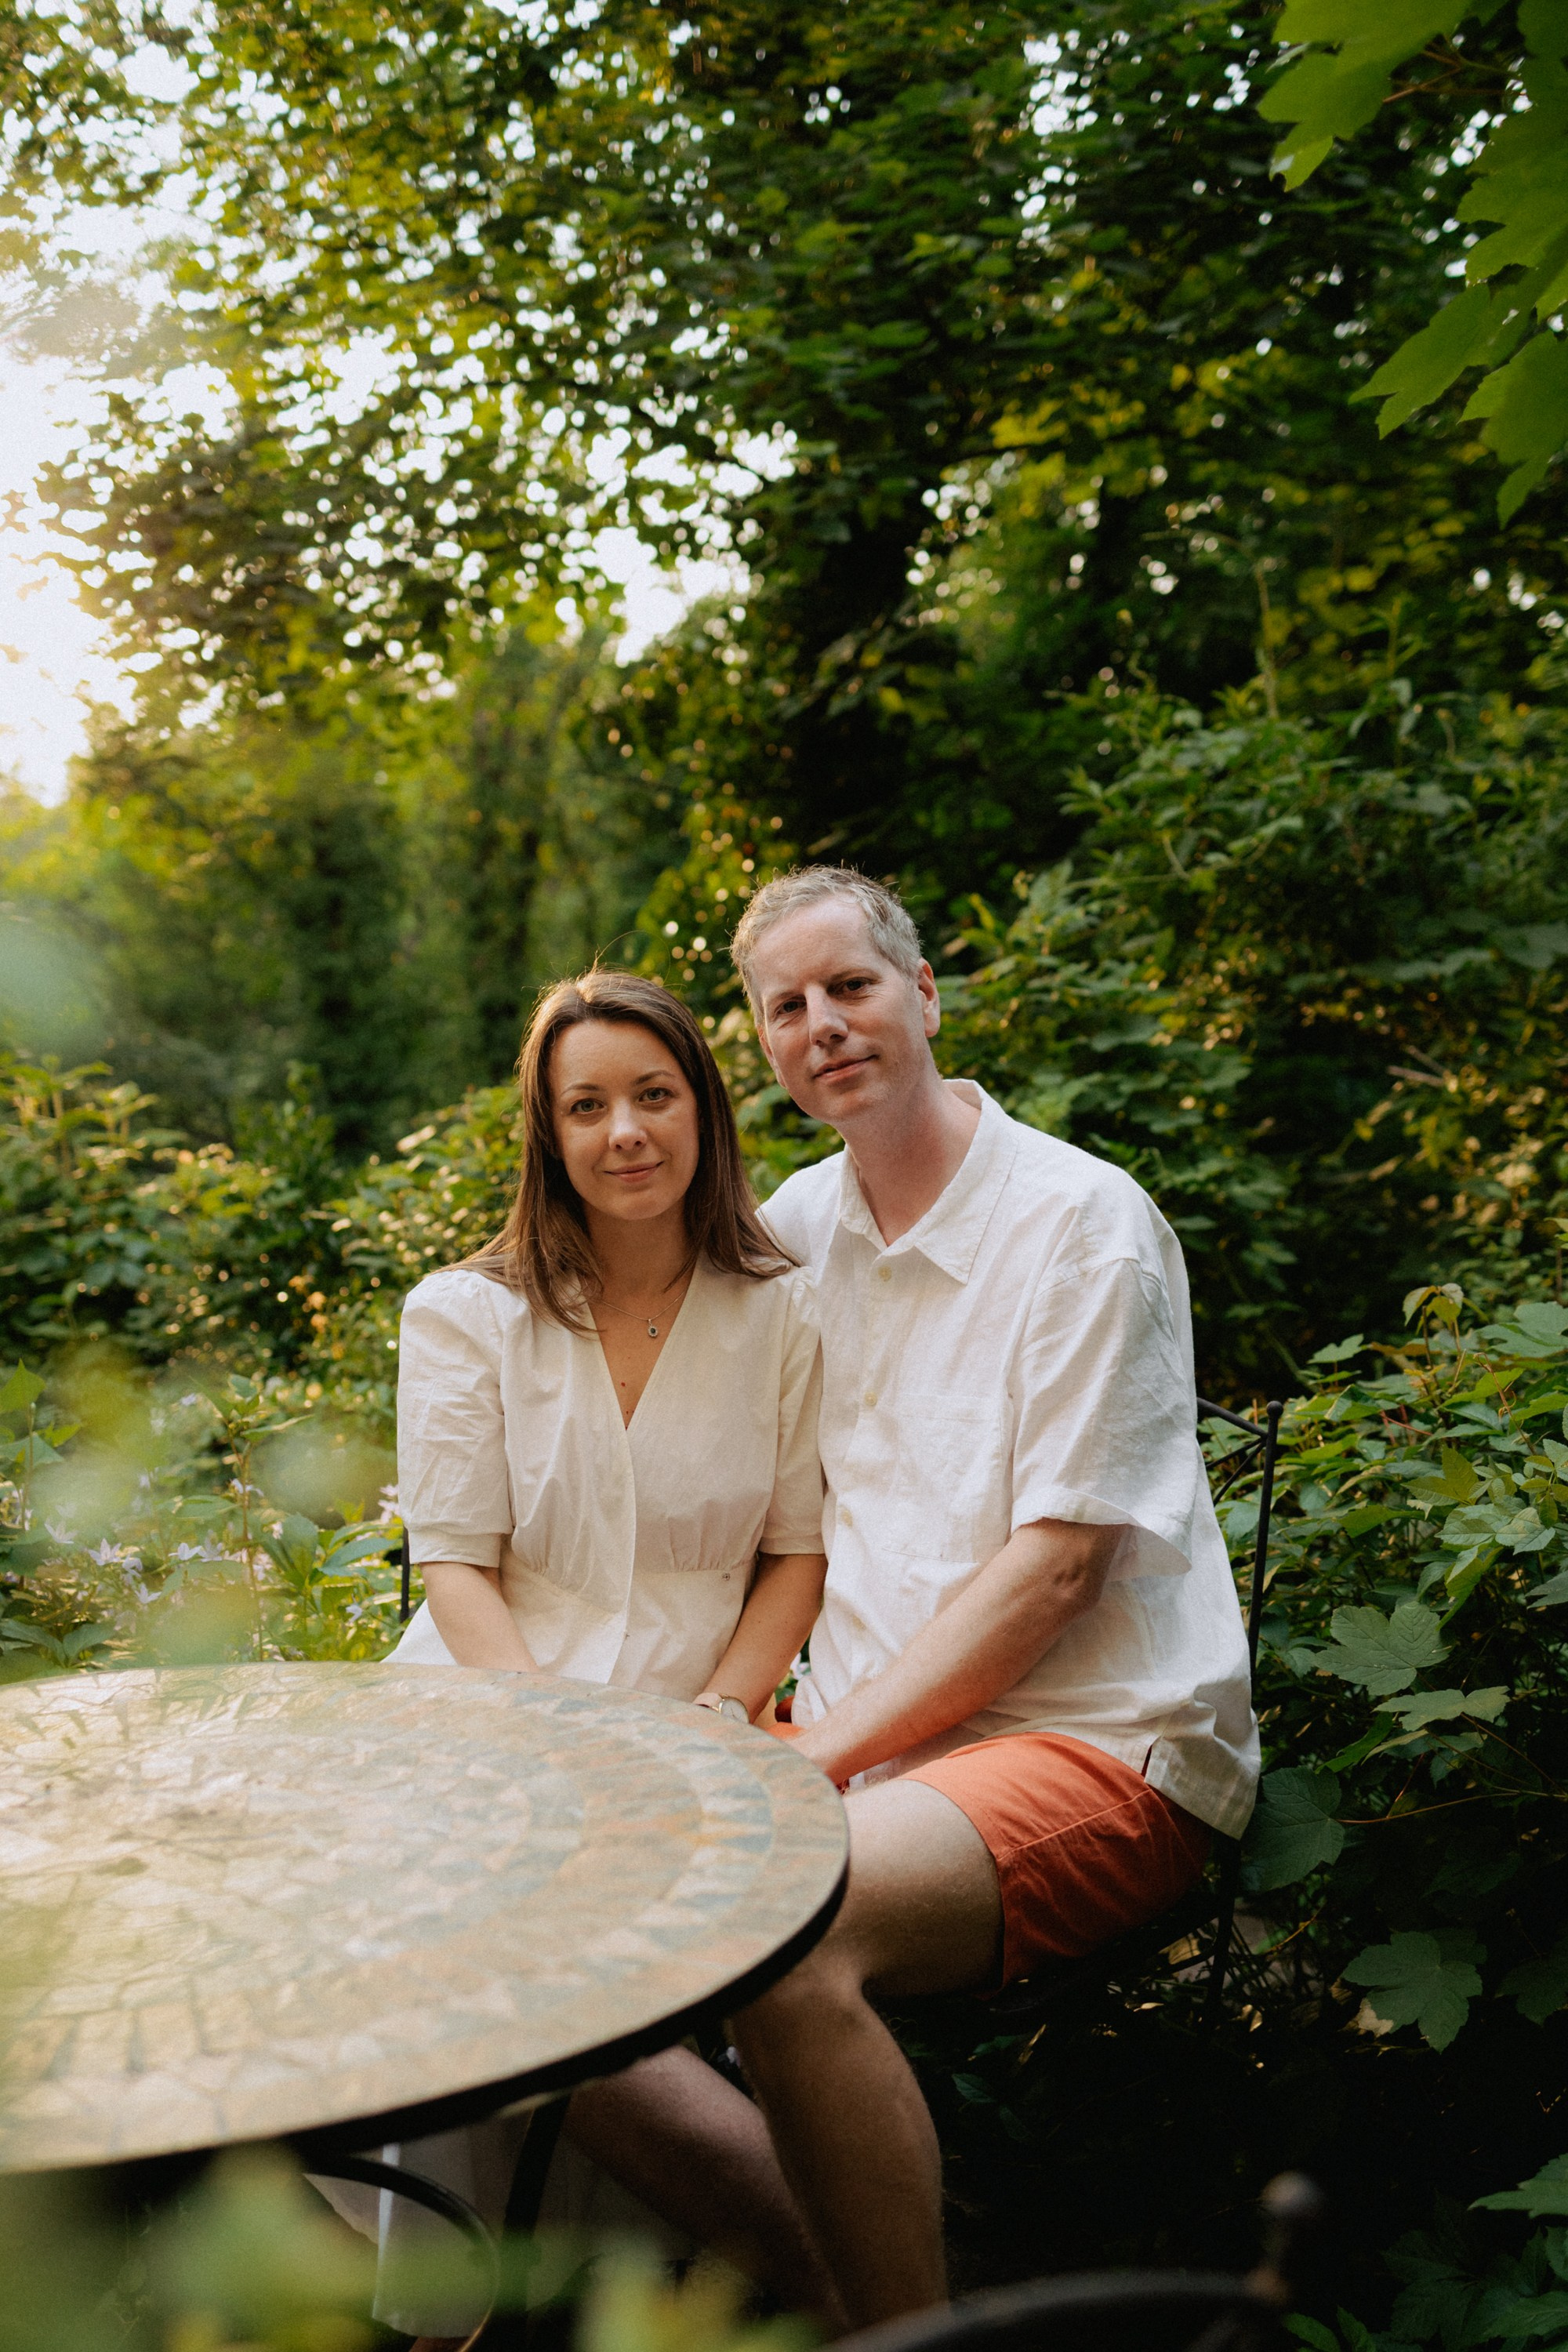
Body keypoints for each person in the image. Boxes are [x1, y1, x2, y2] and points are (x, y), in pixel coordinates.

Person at [583, 867, 1258, 2332]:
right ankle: (911, 2301)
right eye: (786, 1005)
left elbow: (1057, 1572)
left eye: (852, 987)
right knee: (546, 1957)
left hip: (1102, 1747)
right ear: (760, 1043)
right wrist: (714, 1712)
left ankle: (908, 2322)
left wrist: (804, 1765)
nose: (823, 1024)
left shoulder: (1081, 1223)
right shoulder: (791, 1238)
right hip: (864, 1751)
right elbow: (739, 1508)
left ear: (927, 992)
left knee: (785, 1926)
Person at [372, 970, 837, 2332]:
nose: (624, 1131)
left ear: (704, 1108)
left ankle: (739, 2266)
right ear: (547, 1131)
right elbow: (453, 1558)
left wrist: (716, 1715)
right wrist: (547, 1739)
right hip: (484, 1693)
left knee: (630, 1937)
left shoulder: (787, 1311)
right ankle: (456, 2296)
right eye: (587, 1106)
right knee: (466, 1905)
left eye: (653, 1094)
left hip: (704, 1707)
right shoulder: (464, 1312)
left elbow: (797, 1553)